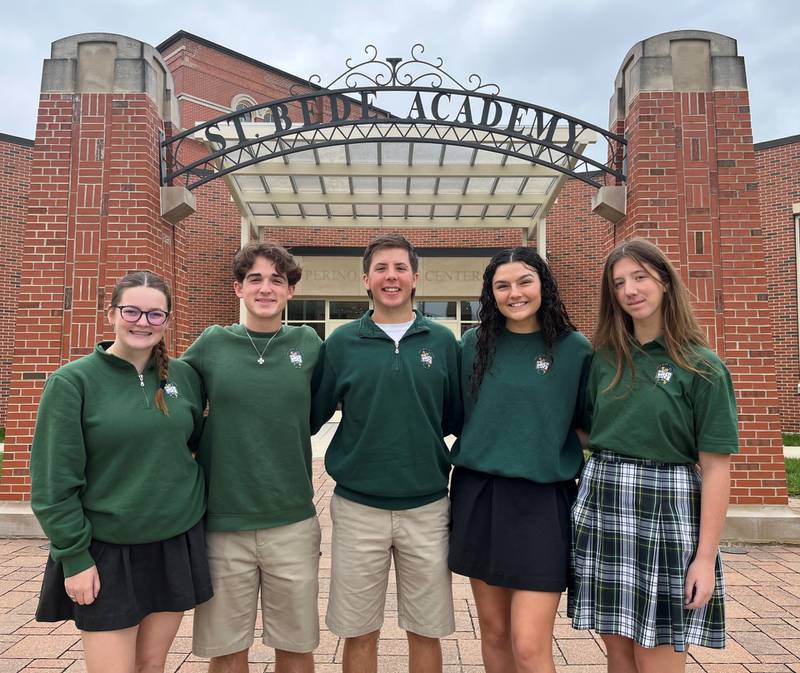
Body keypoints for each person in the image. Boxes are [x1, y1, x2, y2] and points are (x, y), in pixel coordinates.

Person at [569, 238, 739, 673]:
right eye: (619, 282)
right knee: (620, 656)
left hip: (669, 512)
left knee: (657, 655)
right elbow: (590, 429)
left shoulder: (702, 367)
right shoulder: (604, 359)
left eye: (640, 277)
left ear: (664, 280)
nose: (630, 290)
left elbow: (717, 468)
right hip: (604, 507)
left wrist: (704, 557)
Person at [30, 271, 211, 673]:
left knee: (151, 665)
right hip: (106, 551)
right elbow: (52, 483)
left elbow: (193, 445)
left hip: (173, 543)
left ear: (167, 320)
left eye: (154, 314)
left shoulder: (183, 377)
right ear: (111, 313)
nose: (142, 322)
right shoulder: (72, 382)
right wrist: (74, 556)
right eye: (131, 311)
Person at [311, 233, 461, 673]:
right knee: (359, 630)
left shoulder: (443, 342)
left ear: (416, 278)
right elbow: (310, 415)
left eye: (400, 268)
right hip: (359, 507)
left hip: (428, 507)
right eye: (381, 268)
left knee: (426, 629)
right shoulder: (340, 344)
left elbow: (456, 418)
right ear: (366, 280)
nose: (390, 277)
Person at [448, 247, 591, 673]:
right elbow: (456, 413)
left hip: (543, 503)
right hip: (480, 495)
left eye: (524, 281)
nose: (514, 293)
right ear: (490, 295)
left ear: (543, 286)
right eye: (502, 285)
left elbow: (588, 423)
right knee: (493, 634)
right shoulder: (473, 345)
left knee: (528, 645)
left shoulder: (574, 349)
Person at [183, 242, 322, 673]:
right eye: (255, 279)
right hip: (224, 523)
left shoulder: (308, 344)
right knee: (227, 650)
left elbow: (315, 412)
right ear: (237, 288)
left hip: (292, 521)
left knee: (297, 647)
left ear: (290, 292)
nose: (266, 288)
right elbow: (173, 400)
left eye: (276, 280)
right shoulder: (212, 343)